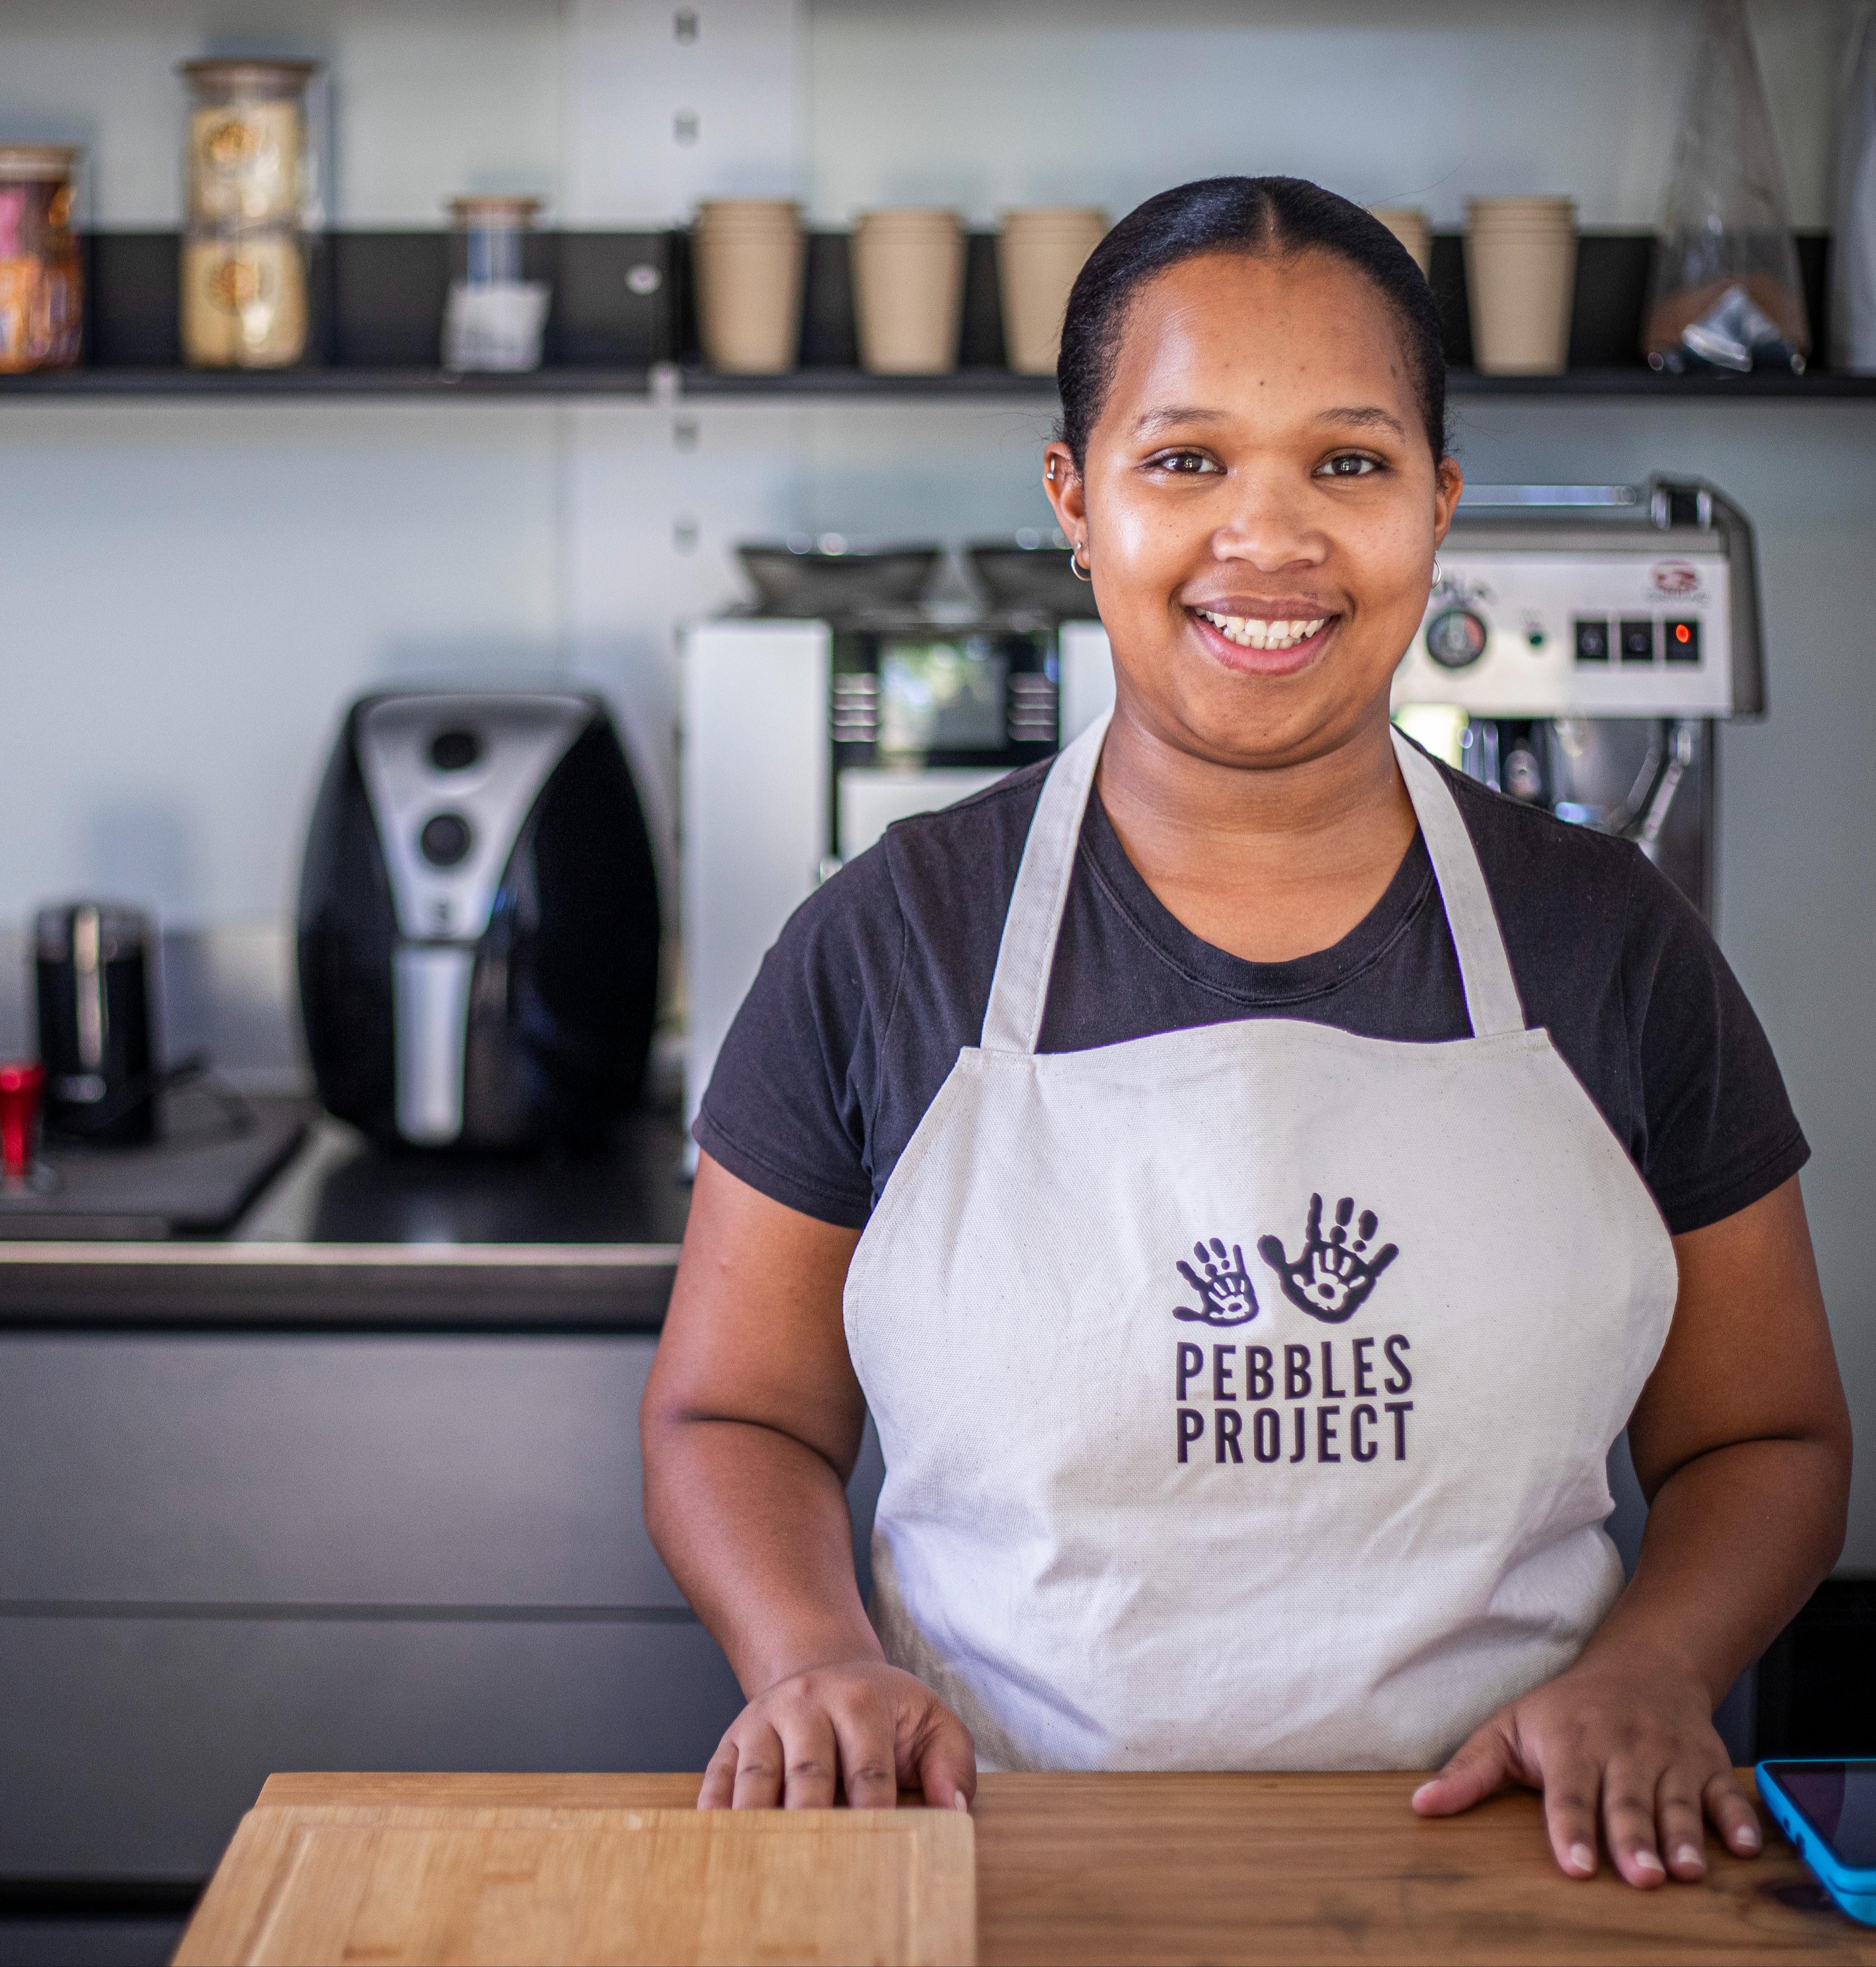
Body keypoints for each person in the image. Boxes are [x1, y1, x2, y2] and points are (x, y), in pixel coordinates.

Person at [641, 176, 1850, 1889]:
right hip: (996, 1852)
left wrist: (1648, 1674)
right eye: (1185, 460)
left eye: (1347, 463)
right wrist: (813, 1661)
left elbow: (1769, 1436)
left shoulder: (1613, 945)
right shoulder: (888, 942)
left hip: (1520, 1871)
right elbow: (732, 1415)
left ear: (1438, 504)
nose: (1267, 540)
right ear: (1076, 499)